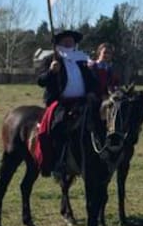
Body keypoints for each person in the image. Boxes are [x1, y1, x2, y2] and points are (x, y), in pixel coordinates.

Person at [36, 30, 100, 177]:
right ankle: (58, 161)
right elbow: (40, 81)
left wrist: (91, 91)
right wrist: (51, 71)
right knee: (58, 127)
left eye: (71, 40)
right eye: (65, 40)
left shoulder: (82, 59)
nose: (69, 43)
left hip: (83, 102)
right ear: (58, 43)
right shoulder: (51, 59)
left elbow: (92, 81)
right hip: (60, 103)